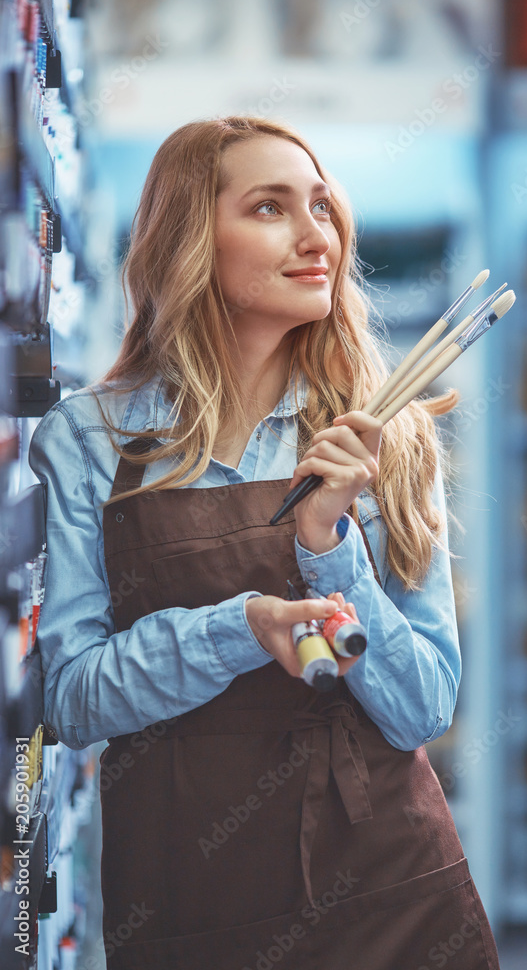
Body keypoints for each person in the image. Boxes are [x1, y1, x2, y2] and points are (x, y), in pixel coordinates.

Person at [28, 116, 501, 969]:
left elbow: (422, 707)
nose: (314, 233)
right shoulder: (89, 441)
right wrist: (241, 628)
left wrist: (328, 542)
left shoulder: (383, 439)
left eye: (321, 206)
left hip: (391, 895)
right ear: (187, 239)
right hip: (188, 897)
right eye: (270, 208)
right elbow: (70, 699)